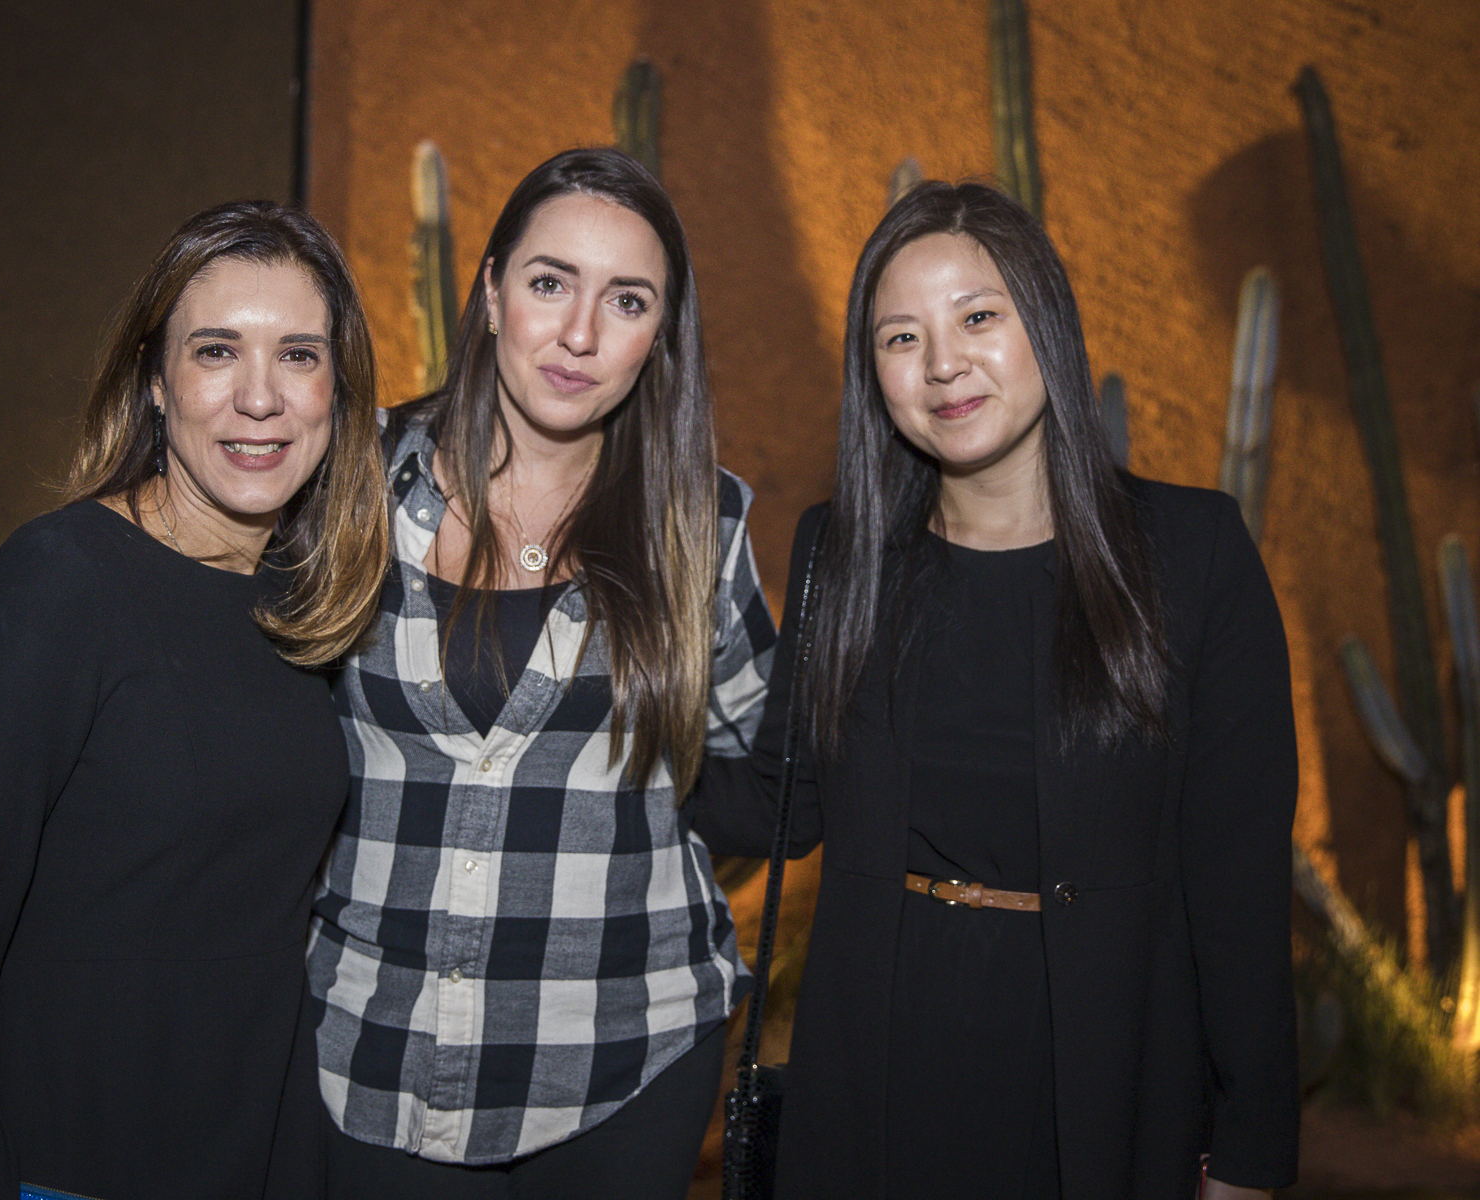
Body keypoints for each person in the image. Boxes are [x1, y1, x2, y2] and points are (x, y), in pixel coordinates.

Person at [688, 181, 1299, 1199]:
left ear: (1046, 324)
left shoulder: (1193, 556)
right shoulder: (842, 555)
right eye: (899, 338)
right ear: (872, 372)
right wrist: (609, 742)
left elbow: (1237, 883)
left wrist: (1249, 1152)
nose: (941, 364)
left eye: (978, 317)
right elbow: (782, 803)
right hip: (877, 1075)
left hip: (1099, 1076)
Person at [0, 201, 391, 1200]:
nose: (259, 398)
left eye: (300, 357)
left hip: (261, 1137)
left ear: (338, 396)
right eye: (217, 351)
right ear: (152, 383)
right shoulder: (56, 584)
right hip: (72, 1150)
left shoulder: (312, 605)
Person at [307, 147, 775, 1199]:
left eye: (628, 300)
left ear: (661, 336)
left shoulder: (700, 521)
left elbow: (780, 766)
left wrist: (647, 790)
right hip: (371, 1048)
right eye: (550, 283)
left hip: (627, 1060)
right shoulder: (351, 485)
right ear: (488, 290)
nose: (578, 334)